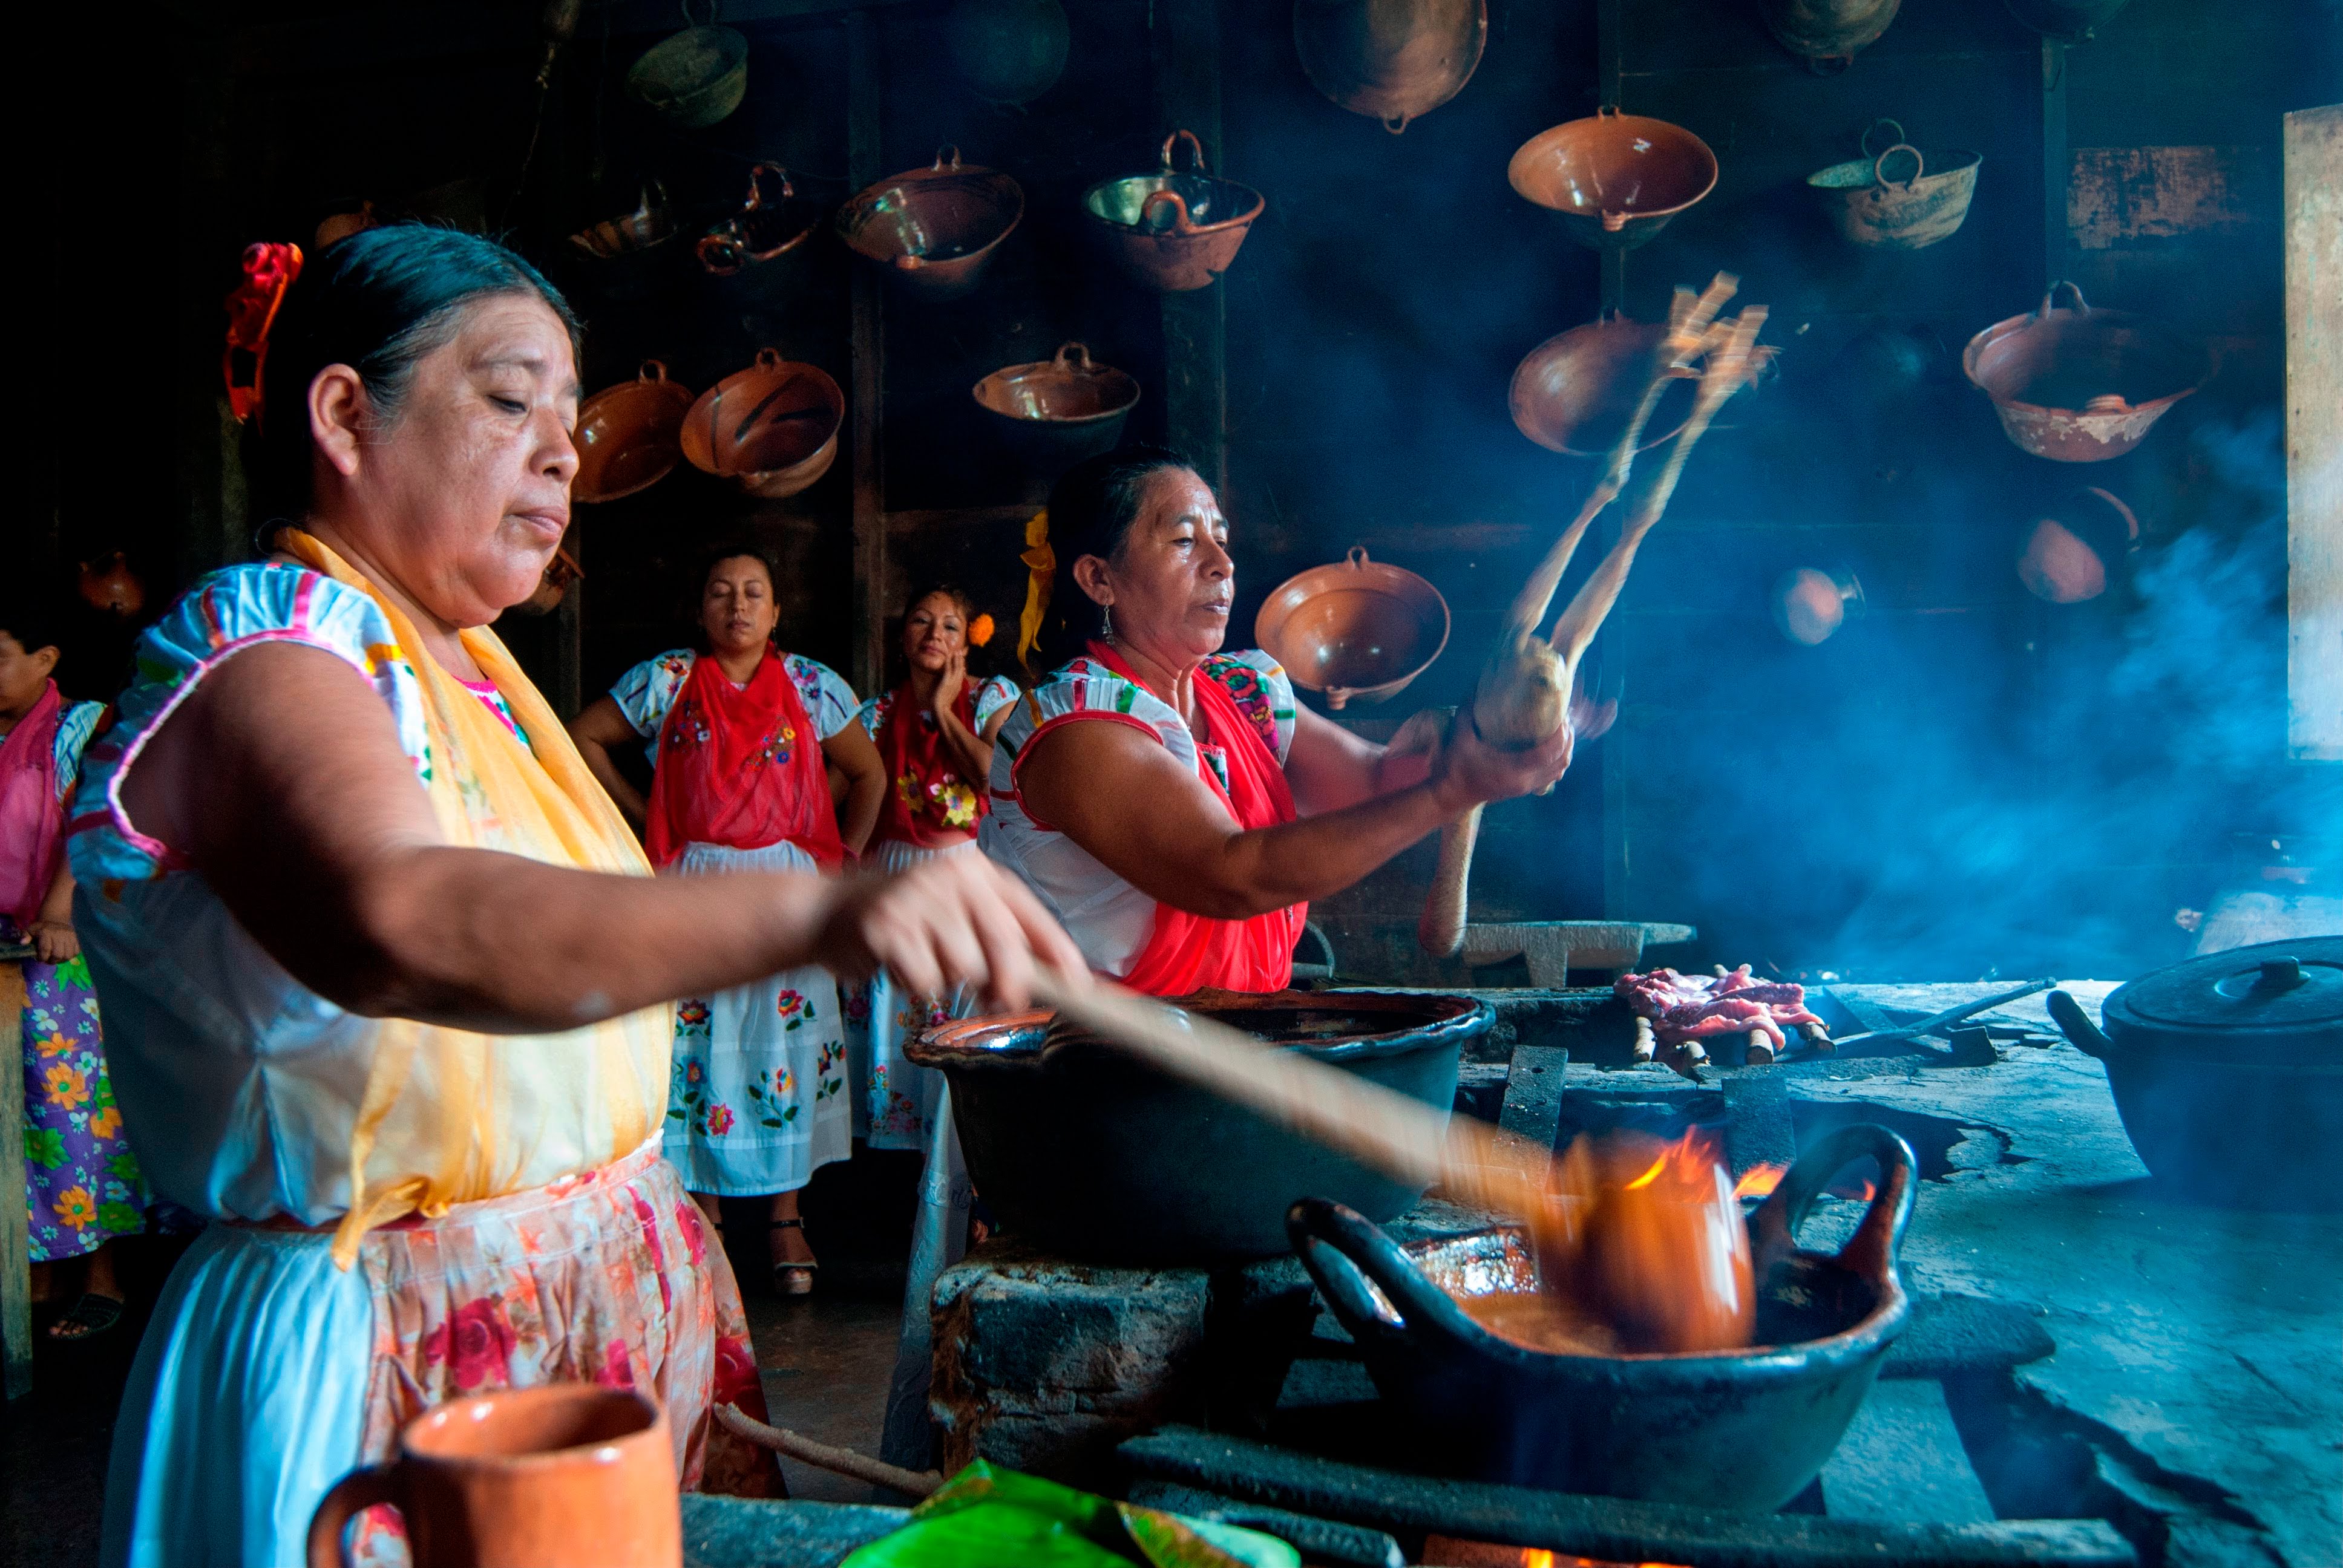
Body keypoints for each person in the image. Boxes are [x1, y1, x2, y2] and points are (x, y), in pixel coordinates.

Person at [70, 225, 1081, 1568]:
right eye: (508, 400)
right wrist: (818, 909)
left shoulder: (478, 671)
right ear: (343, 416)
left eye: (566, 413)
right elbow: (403, 920)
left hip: (601, 1306)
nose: (563, 451)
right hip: (393, 1362)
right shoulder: (265, 644)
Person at [985, 444, 1584, 994]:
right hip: (1093, 1068)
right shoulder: (1074, 730)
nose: (1222, 563)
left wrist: (1488, 739)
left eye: (1221, 538)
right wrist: (1454, 787)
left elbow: (1379, 783)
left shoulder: (1239, 692)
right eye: (1184, 541)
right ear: (1098, 579)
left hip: (1228, 1050)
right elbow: (1230, 875)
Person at [569, 548, 888, 1295]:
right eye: (721, 593)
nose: (737, 606)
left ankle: (785, 1217)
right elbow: (580, 738)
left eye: (753, 594)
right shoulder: (668, 680)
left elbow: (868, 773)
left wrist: (842, 859)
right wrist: (648, 818)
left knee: (780, 1043)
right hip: (694, 885)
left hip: (788, 891)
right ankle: (703, 1215)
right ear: (702, 609)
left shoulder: (812, 686)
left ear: (776, 613)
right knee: (696, 1042)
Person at [2, 596, 146, 1342]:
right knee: (12, 1123)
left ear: (46, 659)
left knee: (75, 1114)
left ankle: (102, 1277)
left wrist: (59, 914)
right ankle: (30, 1273)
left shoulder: (83, 727)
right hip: (3, 949)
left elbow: (91, 824)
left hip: (65, 947)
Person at [845, 583, 1020, 1152]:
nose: (935, 634)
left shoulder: (993, 697)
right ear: (902, 639)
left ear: (966, 642)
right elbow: (833, 795)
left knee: (961, 1013)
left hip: (968, 868)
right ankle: (898, 1162)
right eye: (921, 622)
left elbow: (995, 776)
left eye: (949, 625)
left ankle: (958, 1147)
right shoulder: (873, 716)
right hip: (896, 871)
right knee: (900, 1004)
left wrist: (945, 710)